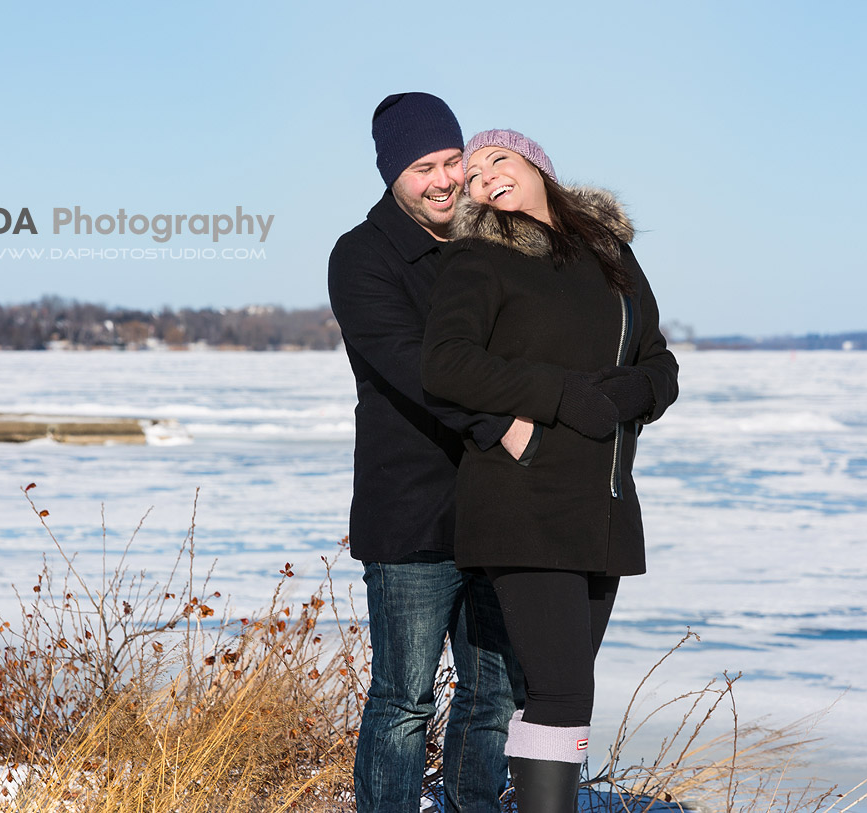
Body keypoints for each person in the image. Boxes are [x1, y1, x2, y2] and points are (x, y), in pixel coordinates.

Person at [421, 129, 679, 811]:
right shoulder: (479, 259)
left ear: (538, 164)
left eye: (498, 159)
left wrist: (621, 397)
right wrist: (563, 398)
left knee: (555, 692)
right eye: (472, 175)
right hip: (523, 501)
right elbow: (445, 363)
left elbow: (658, 363)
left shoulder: (610, 252)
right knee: (565, 690)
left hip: (604, 503)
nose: (484, 177)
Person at [327, 95, 526, 813]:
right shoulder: (362, 255)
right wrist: (505, 421)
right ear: (391, 174)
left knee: (491, 691)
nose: (442, 181)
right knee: (404, 700)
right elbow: (415, 369)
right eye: (423, 168)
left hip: (496, 507)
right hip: (411, 509)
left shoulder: (490, 246)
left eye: (452, 163)